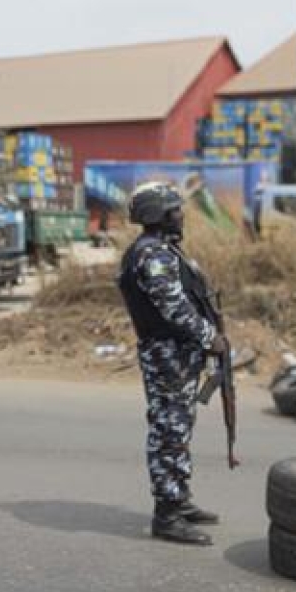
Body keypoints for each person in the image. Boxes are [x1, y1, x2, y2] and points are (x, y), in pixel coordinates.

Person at [116, 181, 226, 547]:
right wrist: (211, 337)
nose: (181, 215)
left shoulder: (162, 250)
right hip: (168, 354)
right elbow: (174, 308)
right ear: (157, 214)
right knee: (168, 431)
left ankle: (179, 499)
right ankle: (167, 516)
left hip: (176, 353)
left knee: (178, 427)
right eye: (175, 209)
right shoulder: (152, 255)